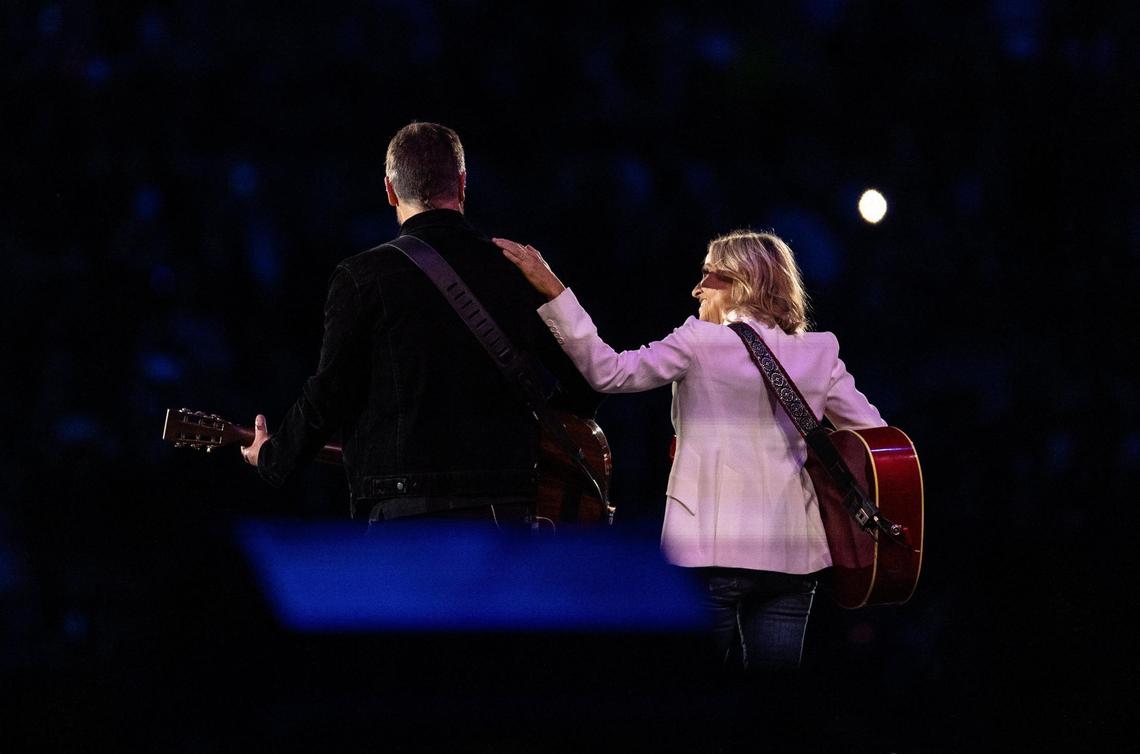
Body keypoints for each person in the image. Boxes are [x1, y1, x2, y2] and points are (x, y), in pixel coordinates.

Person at [494, 230, 886, 671]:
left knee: (697, 704)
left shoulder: (697, 340)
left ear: (740, 282)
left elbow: (607, 372)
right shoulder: (819, 351)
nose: (696, 289)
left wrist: (555, 290)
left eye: (707, 276)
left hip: (708, 551)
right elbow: (877, 438)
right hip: (793, 552)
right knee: (775, 713)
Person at [240, 121, 600, 529]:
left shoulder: (362, 276)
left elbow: (329, 395)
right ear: (463, 184)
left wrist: (273, 456)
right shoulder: (519, 269)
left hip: (407, 518)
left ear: (390, 190)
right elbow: (584, 389)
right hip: (506, 516)